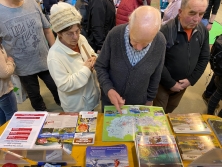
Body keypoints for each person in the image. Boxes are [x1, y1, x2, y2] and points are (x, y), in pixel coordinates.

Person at [94, 6, 166, 112]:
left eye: (146, 43)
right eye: (135, 41)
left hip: (138, 105)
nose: (139, 48)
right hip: (111, 103)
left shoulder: (160, 41)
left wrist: (149, 100)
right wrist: (108, 89)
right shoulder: (115, 35)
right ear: (130, 24)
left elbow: (156, 74)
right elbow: (100, 66)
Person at [0, 0, 60, 111]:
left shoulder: (32, 3)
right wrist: (6, 64)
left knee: (57, 88)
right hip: (23, 67)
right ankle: (43, 119)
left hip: (45, 60)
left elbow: (47, 29)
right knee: (35, 96)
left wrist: (56, 52)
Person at [153, 0, 210, 114]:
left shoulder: (202, 31)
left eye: (201, 14)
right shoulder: (165, 31)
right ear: (180, 12)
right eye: (192, 13)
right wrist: (171, 83)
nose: (197, 19)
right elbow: (156, 61)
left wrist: (191, 80)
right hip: (162, 86)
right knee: (158, 113)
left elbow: (204, 58)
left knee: (171, 109)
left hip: (183, 86)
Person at [48, 2, 100, 111]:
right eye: (69, 33)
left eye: (77, 30)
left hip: (91, 97)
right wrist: (86, 69)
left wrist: (94, 58)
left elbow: (91, 53)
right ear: (59, 33)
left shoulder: (81, 38)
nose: (75, 37)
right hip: (76, 107)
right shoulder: (54, 55)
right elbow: (64, 85)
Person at [0, 41, 17, 126]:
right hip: (3, 91)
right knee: (12, 116)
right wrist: (10, 62)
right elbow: (4, 72)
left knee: (2, 117)